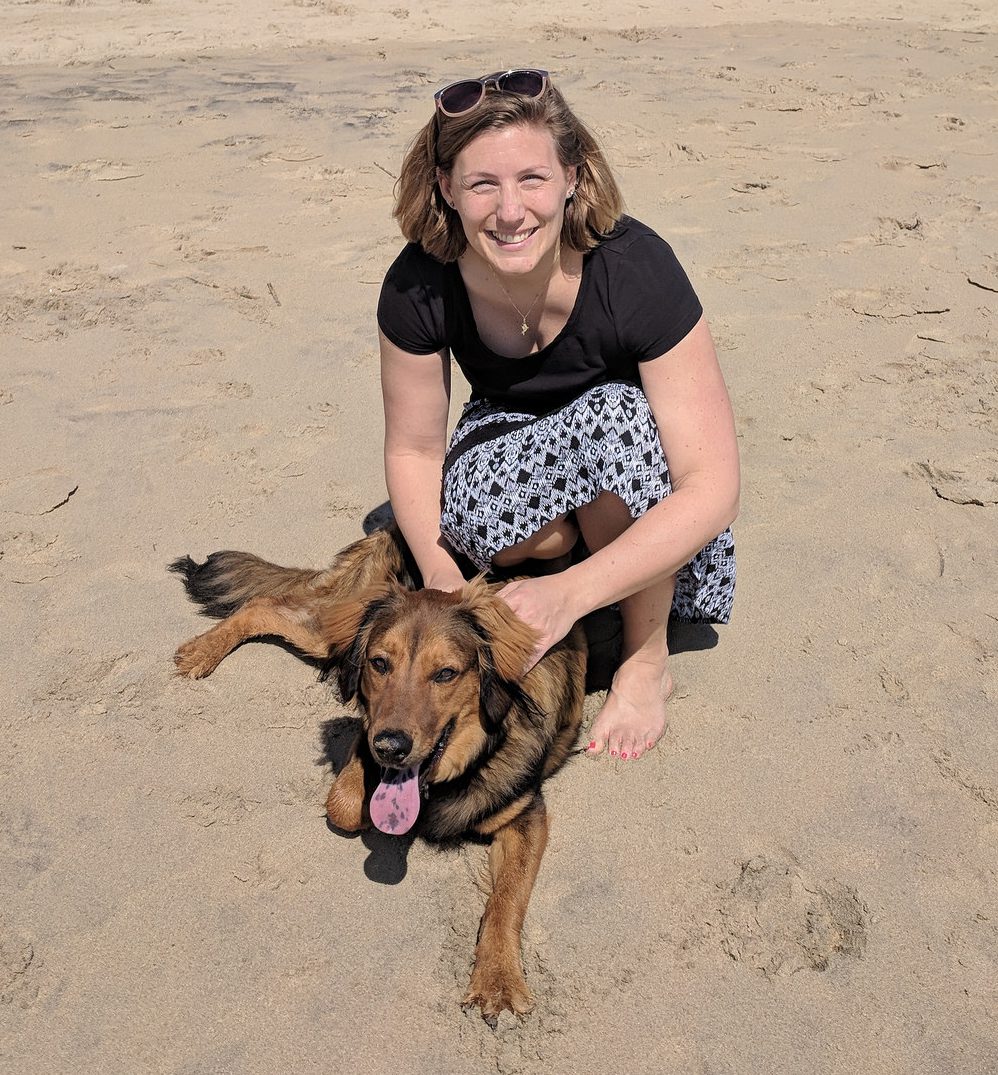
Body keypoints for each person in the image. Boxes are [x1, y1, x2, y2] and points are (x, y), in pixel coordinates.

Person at [377, 69, 739, 763]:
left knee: (614, 416)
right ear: (446, 188)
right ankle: (571, 551)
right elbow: (416, 449)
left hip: (632, 469)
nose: (510, 211)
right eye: (483, 184)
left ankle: (644, 655)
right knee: (522, 523)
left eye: (532, 179)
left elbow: (713, 485)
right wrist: (443, 584)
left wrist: (567, 595)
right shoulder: (419, 282)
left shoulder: (634, 268)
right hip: (508, 442)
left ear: (573, 176)